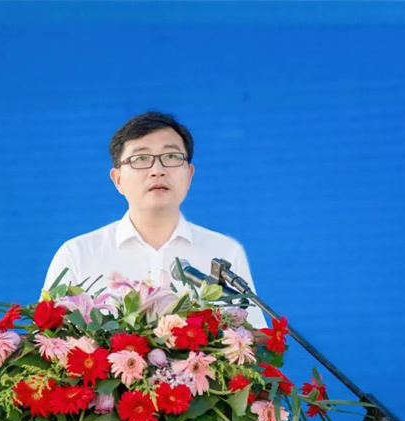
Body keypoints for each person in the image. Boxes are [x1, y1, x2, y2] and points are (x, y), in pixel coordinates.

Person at [43, 111, 267, 329]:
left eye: (171, 157)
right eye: (141, 159)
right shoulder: (77, 255)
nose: (157, 170)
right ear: (117, 179)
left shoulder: (224, 252)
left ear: (189, 175)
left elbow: (253, 340)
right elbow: (47, 343)